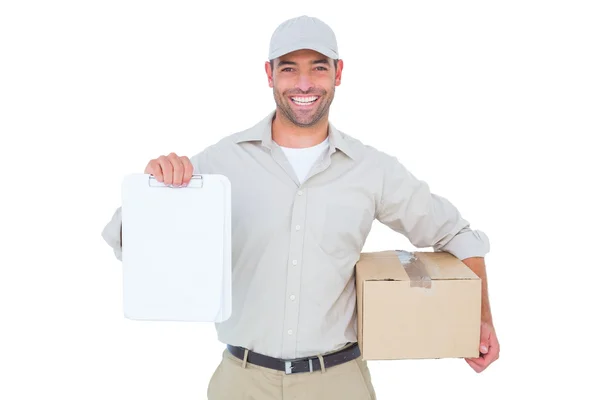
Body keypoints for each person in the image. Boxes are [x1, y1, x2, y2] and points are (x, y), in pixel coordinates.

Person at [102, 15, 499, 400]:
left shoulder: (372, 170)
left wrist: (479, 321)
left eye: (318, 68)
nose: (304, 83)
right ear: (269, 74)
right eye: (289, 68)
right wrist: (156, 189)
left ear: (338, 73)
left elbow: (459, 236)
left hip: (338, 383)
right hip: (242, 383)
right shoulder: (222, 164)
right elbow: (126, 240)